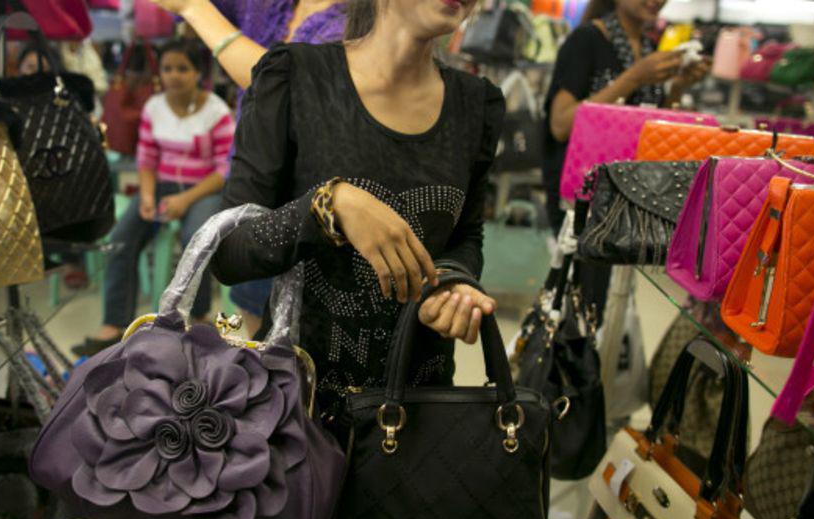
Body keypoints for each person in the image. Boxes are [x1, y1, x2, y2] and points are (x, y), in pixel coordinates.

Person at [206, 0, 504, 422]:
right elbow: (229, 251)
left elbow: (465, 237)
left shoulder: (476, 104)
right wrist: (329, 207)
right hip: (301, 411)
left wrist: (453, 284)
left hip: (417, 416)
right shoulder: (296, 76)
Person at [153, 0, 347, 337]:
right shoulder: (265, 4)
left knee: (303, 334)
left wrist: (194, 8)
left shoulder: (360, 18)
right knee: (253, 318)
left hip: (321, 199)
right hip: (253, 190)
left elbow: (292, 90)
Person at [72, 39, 235, 356]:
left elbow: (224, 170)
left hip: (204, 188)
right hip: (161, 186)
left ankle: (198, 319)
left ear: (198, 73)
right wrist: (147, 195)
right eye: (168, 68)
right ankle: (114, 324)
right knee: (120, 238)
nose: (174, 75)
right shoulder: (154, 108)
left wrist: (186, 200)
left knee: (195, 238)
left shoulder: (216, 111)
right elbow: (146, 159)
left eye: (182, 69)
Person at [543, 0, 710, 232]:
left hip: (632, 196)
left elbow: (651, 128)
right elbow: (560, 125)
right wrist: (633, 78)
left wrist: (678, 87)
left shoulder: (648, 47)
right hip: (585, 195)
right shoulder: (586, 40)